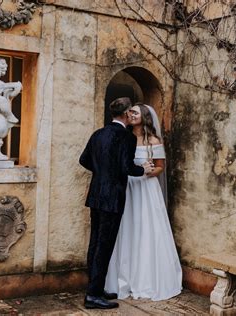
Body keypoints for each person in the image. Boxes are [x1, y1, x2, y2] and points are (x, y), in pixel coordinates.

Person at [79, 97, 153, 310]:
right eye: (131, 112)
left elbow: (84, 160)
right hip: (113, 197)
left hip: (95, 195)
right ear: (126, 113)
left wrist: (101, 172)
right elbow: (126, 168)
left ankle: (95, 287)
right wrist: (143, 169)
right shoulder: (126, 138)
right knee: (105, 245)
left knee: (95, 242)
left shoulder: (98, 134)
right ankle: (93, 295)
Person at [105, 103, 182, 301]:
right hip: (127, 187)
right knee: (126, 229)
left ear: (144, 117)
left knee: (146, 229)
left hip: (146, 188)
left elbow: (160, 167)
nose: (130, 114)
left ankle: (146, 279)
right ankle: (123, 279)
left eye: (135, 112)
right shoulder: (125, 138)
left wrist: (147, 172)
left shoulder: (153, 140)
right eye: (129, 111)